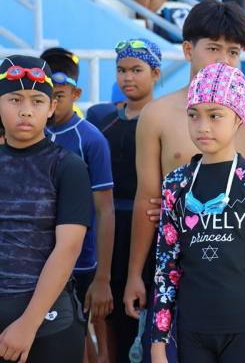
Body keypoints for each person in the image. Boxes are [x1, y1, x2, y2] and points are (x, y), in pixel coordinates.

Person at [122, 0, 245, 362]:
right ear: (188, 49)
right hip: (181, 274)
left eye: (233, 51)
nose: (223, 59)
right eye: (213, 48)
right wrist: (135, 274)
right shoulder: (157, 115)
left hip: (240, 284)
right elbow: (147, 201)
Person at [151, 62, 245, 363]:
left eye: (215, 115)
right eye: (193, 115)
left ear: (239, 117)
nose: (203, 126)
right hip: (192, 329)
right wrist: (158, 342)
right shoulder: (176, 183)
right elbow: (166, 266)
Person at [0, 55, 92, 362]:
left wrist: (28, 324)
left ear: (51, 107)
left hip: (48, 324)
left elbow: (68, 248)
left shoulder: (68, 167)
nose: (26, 110)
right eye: (15, 99)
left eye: (37, 101)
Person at [40, 47, 115, 363]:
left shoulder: (91, 139)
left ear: (76, 93)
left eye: (59, 96)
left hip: (83, 261)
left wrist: (103, 277)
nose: (53, 104)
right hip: (41, 258)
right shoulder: (33, 134)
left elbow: (105, 210)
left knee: (89, 331)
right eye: (47, 96)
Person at [95, 38, 161, 363]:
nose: (127, 77)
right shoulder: (103, 122)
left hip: (149, 227)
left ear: (156, 73)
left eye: (136, 69)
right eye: (121, 70)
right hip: (109, 229)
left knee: (149, 315)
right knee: (110, 314)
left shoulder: (164, 119)